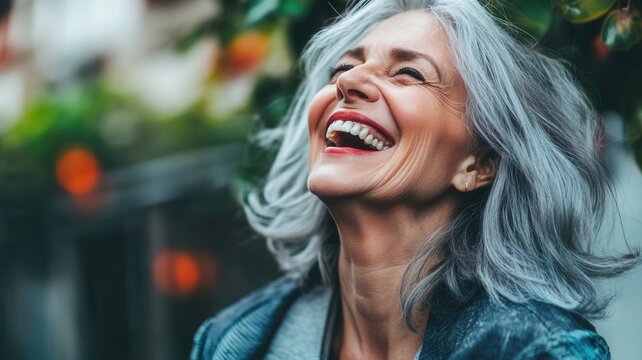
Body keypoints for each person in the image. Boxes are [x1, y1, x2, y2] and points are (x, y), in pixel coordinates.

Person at [192, 0, 640, 358]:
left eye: (409, 73)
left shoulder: (535, 351)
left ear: (479, 164)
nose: (350, 83)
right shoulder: (234, 341)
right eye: (342, 69)